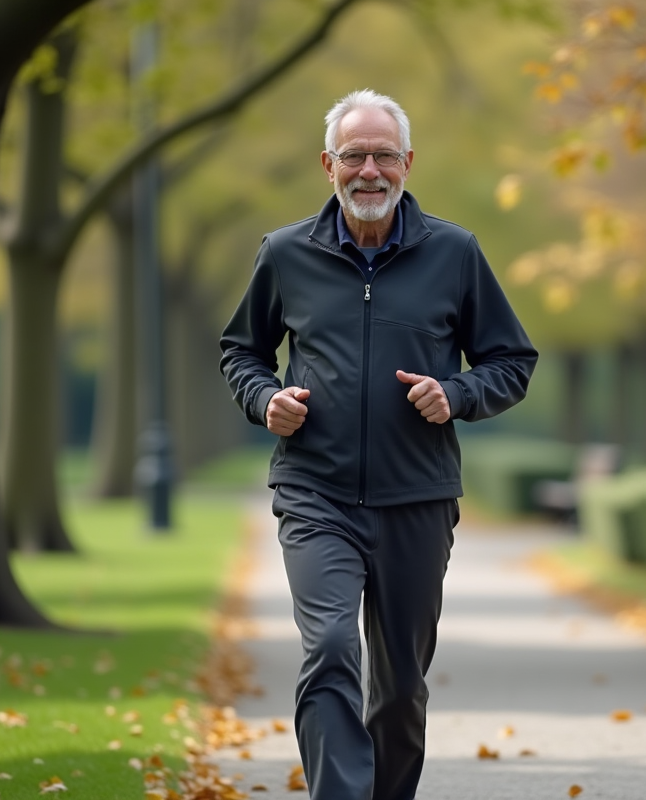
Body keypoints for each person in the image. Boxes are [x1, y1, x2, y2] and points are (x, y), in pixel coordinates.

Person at [218, 89, 537, 800]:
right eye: (355, 155)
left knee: (398, 691)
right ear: (327, 164)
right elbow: (242, 351)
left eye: (384, 155)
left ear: (407, 163)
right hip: (315, 493)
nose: (370, 170)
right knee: (330, 649)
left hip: (417, 498)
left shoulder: (454, 253)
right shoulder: (285, 253)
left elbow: (511, 362)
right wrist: (264, 398)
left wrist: (455, 394)